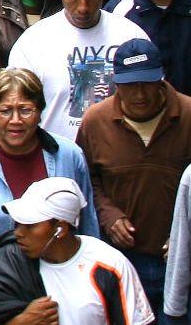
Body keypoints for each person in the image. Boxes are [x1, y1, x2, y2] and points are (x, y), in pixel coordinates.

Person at [77, 37, 191, 312]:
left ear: (161, 78)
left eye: (147, 84)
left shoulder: (188, 115)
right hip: (123, 258)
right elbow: (87, 179)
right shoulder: (95, 121)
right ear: (116, 82)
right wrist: (108, 214)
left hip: (179, 260)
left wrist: (184, 237)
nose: (140, 95)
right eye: (130, 85)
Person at [0, 67, 101, 264]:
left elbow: (88, 228)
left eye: (25, 110)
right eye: (5, 111)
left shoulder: (69, 155)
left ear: (40, 112)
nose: (15, 120)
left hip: (63, 279)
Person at [0, 177, 152, 325]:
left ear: (61, 229)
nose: (18, 233)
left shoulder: (110, 263)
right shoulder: (6, 267)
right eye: (17, 223)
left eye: (30, 225)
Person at [8, 0, 148, 137]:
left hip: (117, 158)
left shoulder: (130, 36)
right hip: (56, 158)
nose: (83, 7)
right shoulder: (33, 43)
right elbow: (16, 108)